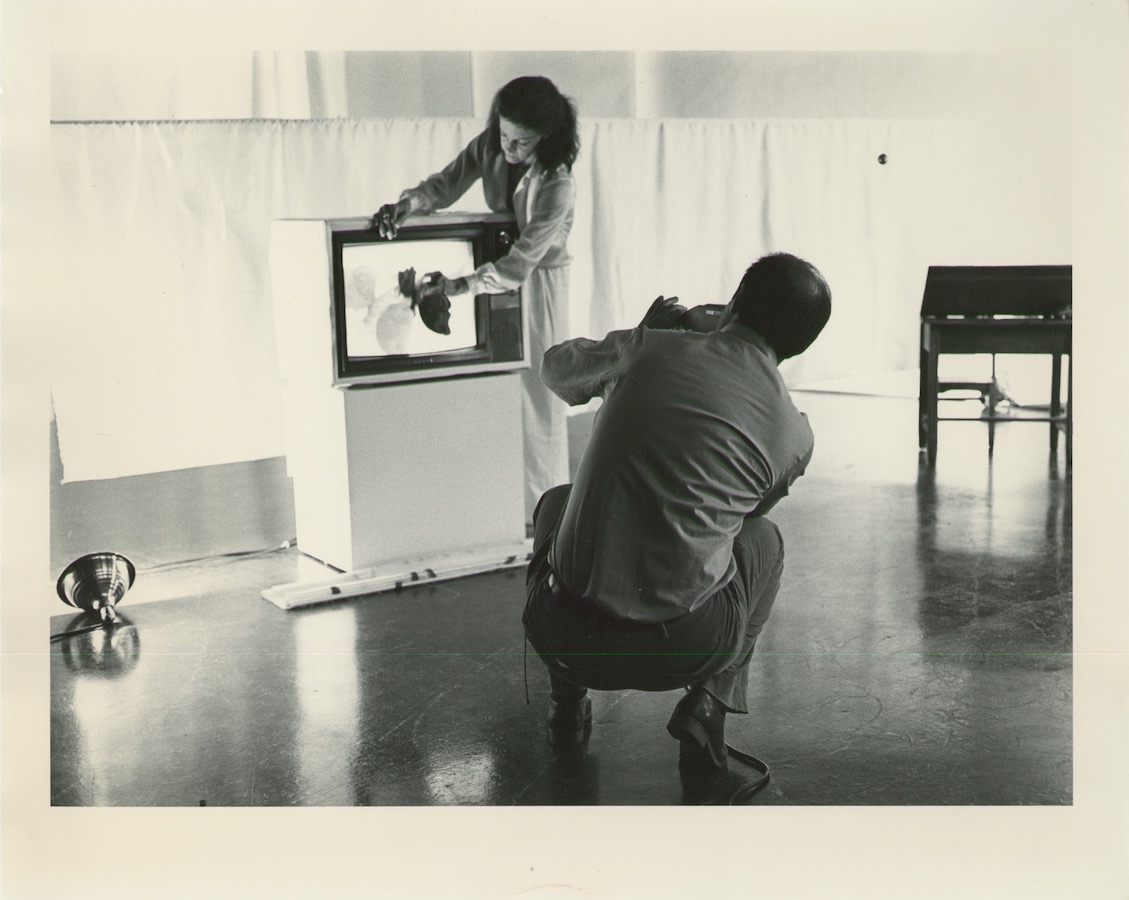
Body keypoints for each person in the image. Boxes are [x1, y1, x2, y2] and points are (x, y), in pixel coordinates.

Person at [522, 252, 832, 773]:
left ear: (731, 301)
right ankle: (707, 708)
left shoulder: (649, 349)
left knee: (557, 503)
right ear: (799, 346)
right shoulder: (793, 433)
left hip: (563, 633)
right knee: (765, 543)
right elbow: (743, 515)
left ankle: (566, 704)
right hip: (684, 647)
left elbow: (555, 369)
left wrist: (644, 332)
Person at [373, 76, 580, 526]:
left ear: (546, 137)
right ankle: (503, 508)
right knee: (498, 387)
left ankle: (543, 517)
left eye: (521, 142)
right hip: (493, 267)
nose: (508, 148)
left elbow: (522, 263)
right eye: (504, 135)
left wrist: (459, 286)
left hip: (539, 281)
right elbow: (444, 185)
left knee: (539, 392)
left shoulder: (558, 185)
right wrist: (406, 205)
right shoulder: (489, 146)